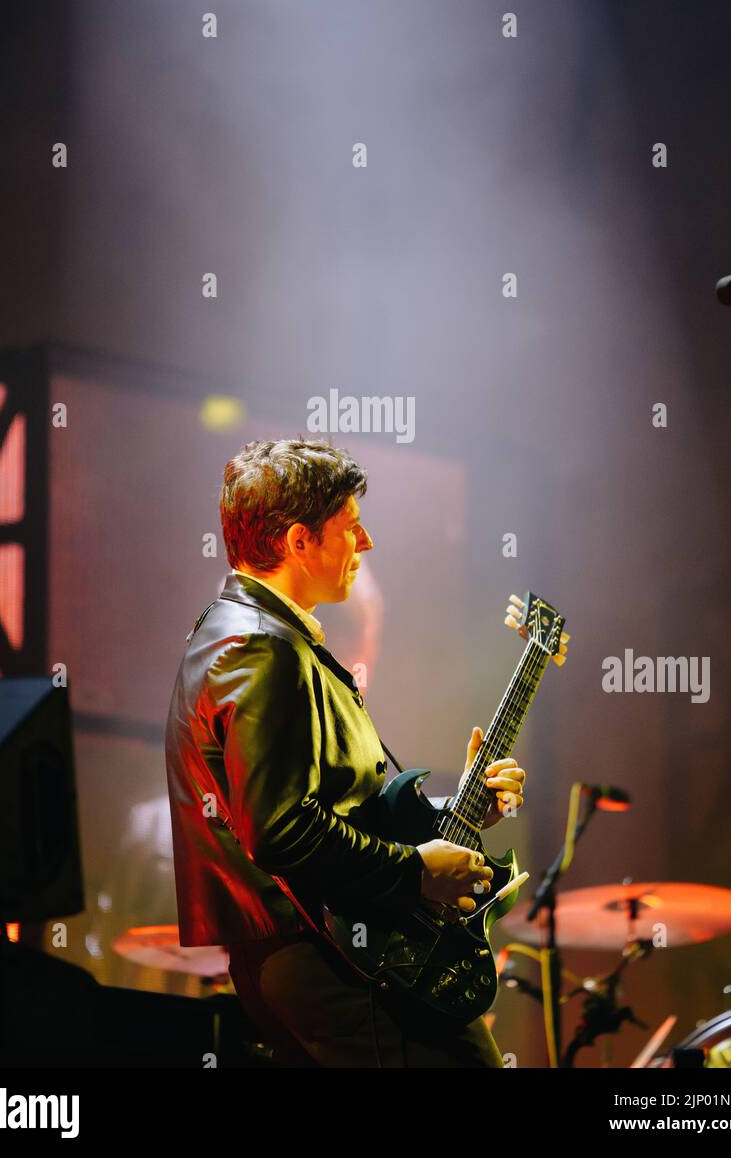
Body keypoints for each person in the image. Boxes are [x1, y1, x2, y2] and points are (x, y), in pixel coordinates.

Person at [165, 438, 527, 1067]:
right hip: (330, 961)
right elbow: (280, 830)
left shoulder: (248, 635)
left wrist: (455, 809)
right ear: (299, 541)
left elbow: (335, 807)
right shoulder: (259, 649)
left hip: (318, 958)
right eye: (350, 528)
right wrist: (415, 870)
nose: (366, 544)